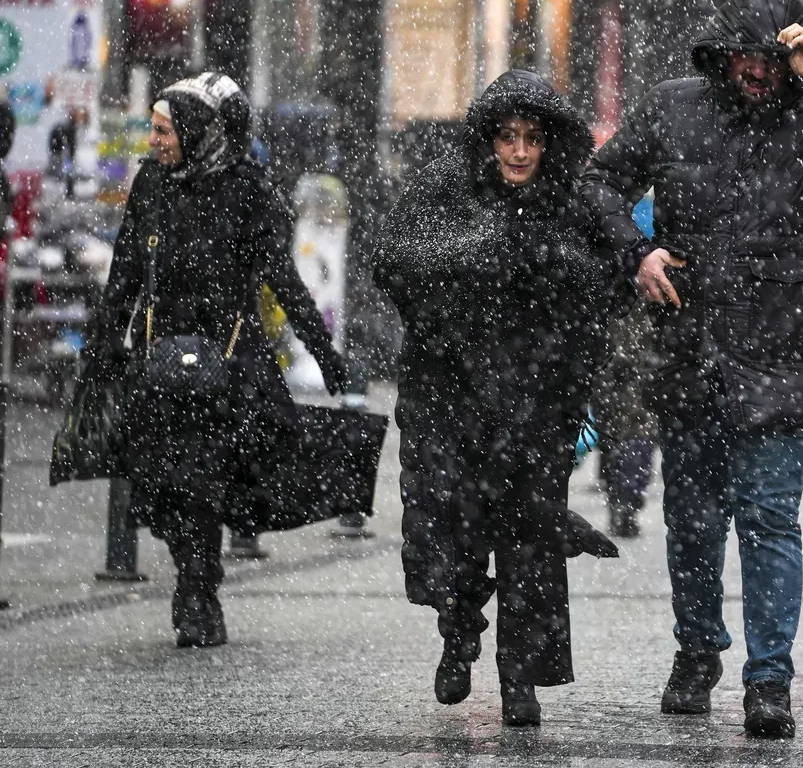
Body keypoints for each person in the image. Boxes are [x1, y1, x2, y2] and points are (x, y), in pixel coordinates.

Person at [579, 0, 803, 738]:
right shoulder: (672, 106)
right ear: (720, 55)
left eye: (771, 58)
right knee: (693, 520)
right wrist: (636, 252)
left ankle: (769, 680)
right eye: (743, 56)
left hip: (790, 349)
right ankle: (697, 652)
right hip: (691, 347)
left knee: (768, 516)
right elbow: (598, 182)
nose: (756, 71)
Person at [373, 70, 618, 728]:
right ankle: (458, 630)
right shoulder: (444, 187)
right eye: (507, 137)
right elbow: (392, 261)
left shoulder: (570, 202)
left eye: (532, 138)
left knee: (528, 541)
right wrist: (469, 262)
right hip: (447, 398)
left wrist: (559, 309)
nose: (519, 152)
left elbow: (601, 290)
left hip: (534, 404)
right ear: (487, 139)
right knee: (447, 532)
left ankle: (519, 678)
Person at [82, 72, 347, 648]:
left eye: (164, 130)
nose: (154, 141)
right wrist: (104, 346)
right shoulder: (152, 184)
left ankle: (198, 587)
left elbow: (283, 279)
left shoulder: (248, 190)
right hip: (160, 361)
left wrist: (323, 352)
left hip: (228, 364)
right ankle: (194, 571)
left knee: (202, 478)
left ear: (197, 131)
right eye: (153, 130)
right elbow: (125, 273)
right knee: (162, 480)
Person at [593, 305, 659, 537]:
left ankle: (626, 505)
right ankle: (622, 503)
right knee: (618, 451)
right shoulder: (610, 302)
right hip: (615, 388)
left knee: (637, 447)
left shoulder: (649, 302)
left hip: (638, 388)